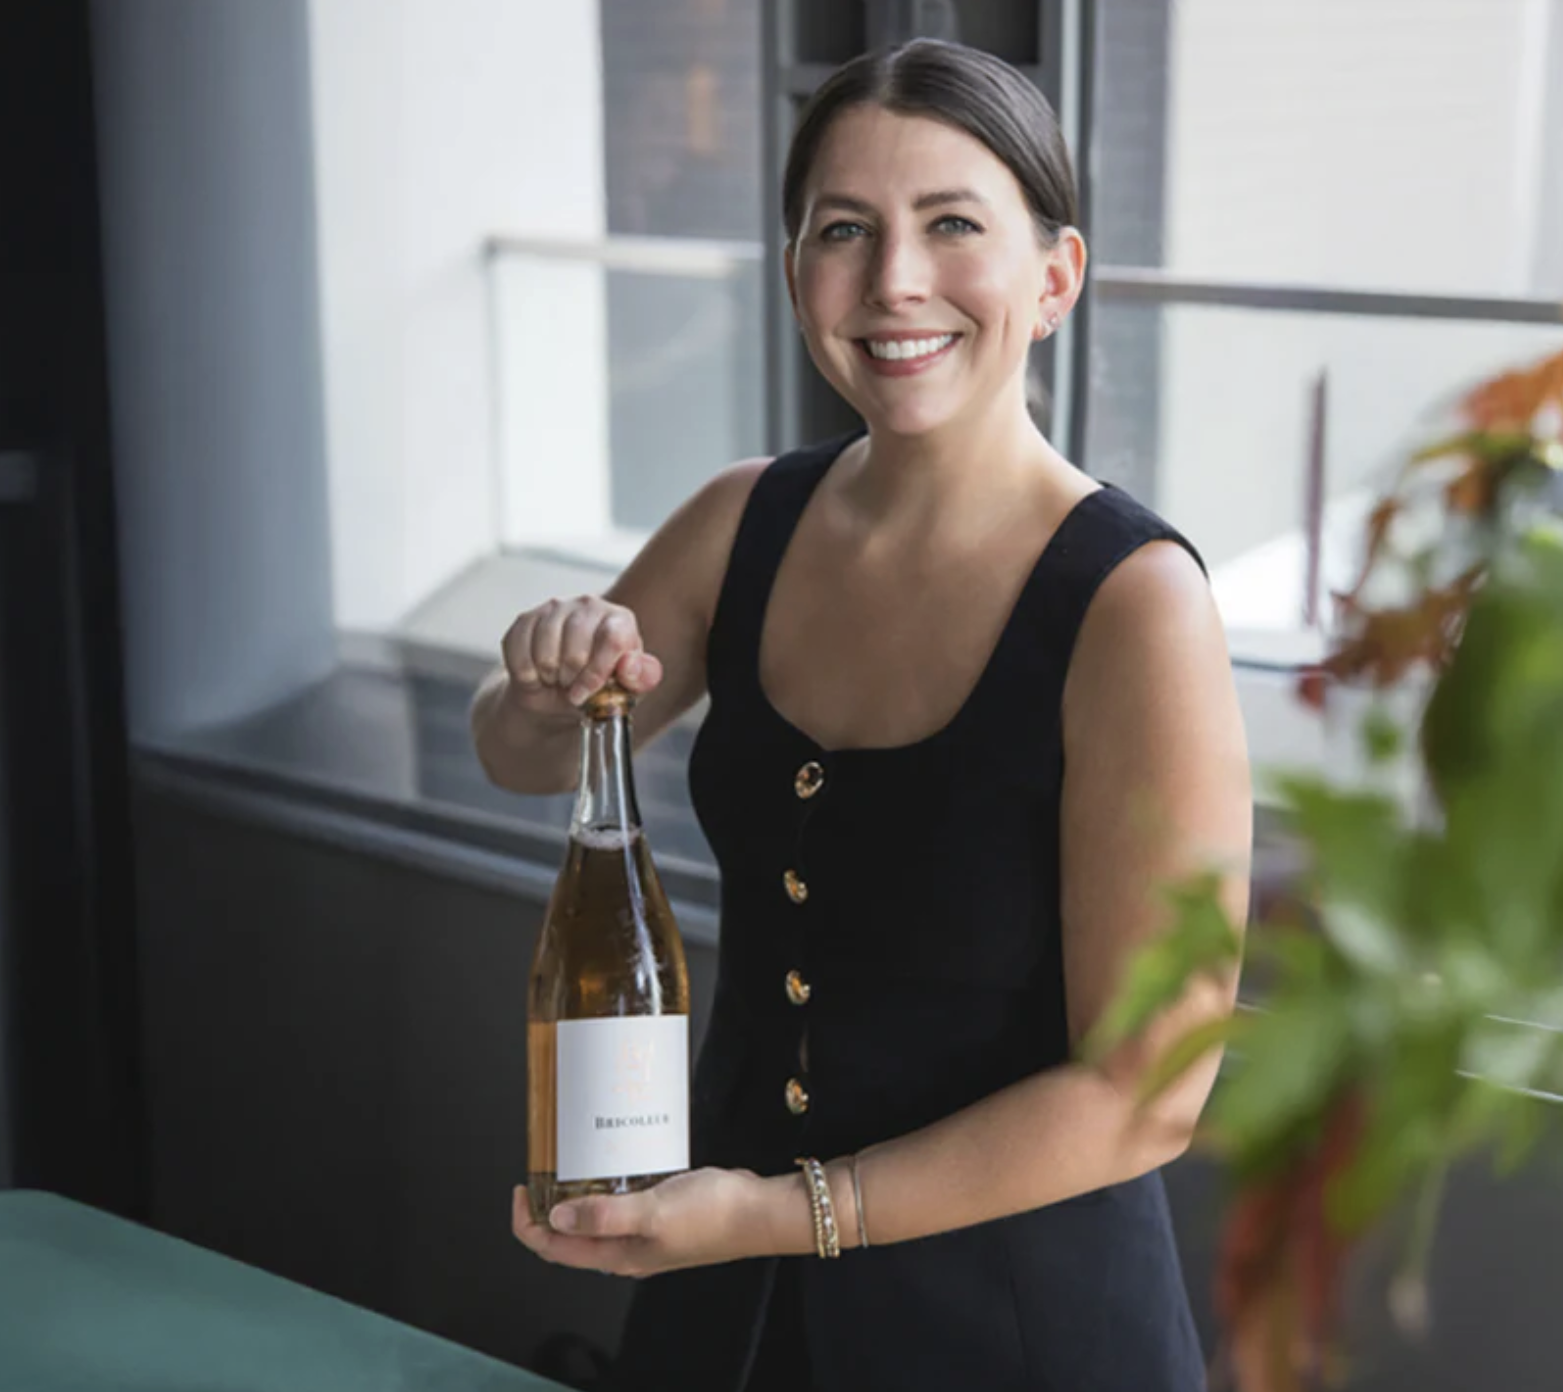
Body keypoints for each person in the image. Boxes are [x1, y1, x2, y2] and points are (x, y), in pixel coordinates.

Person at [472, 37, 1251, 1392]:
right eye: (845, 230)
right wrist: (544, 685)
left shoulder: (1137, 605)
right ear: (795, 278)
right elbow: (521, 752)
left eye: (953, 225)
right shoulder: (741, 521)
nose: (894, 279)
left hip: (1023, 1334)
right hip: (722, 1300)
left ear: (1055, 278)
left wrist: (779, 1215)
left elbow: (1147, 1095)